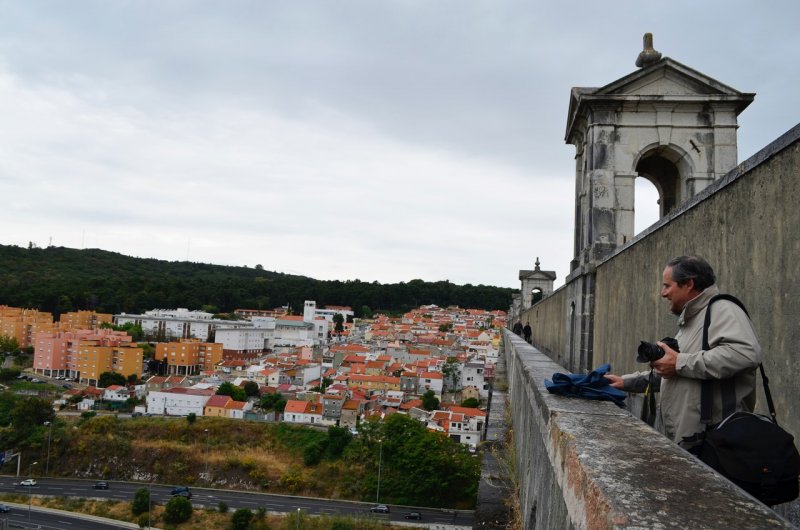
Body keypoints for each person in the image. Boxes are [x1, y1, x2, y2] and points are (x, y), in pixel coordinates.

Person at [604, 255, 762, 453]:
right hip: (691, 443)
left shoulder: (722, 309)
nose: (663, 293)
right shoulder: (692, 319)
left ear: (688, 284)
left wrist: (680, 362)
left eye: (667, 286)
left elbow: (746, 354)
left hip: (716, 445)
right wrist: (625, 382)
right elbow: (679, 374)